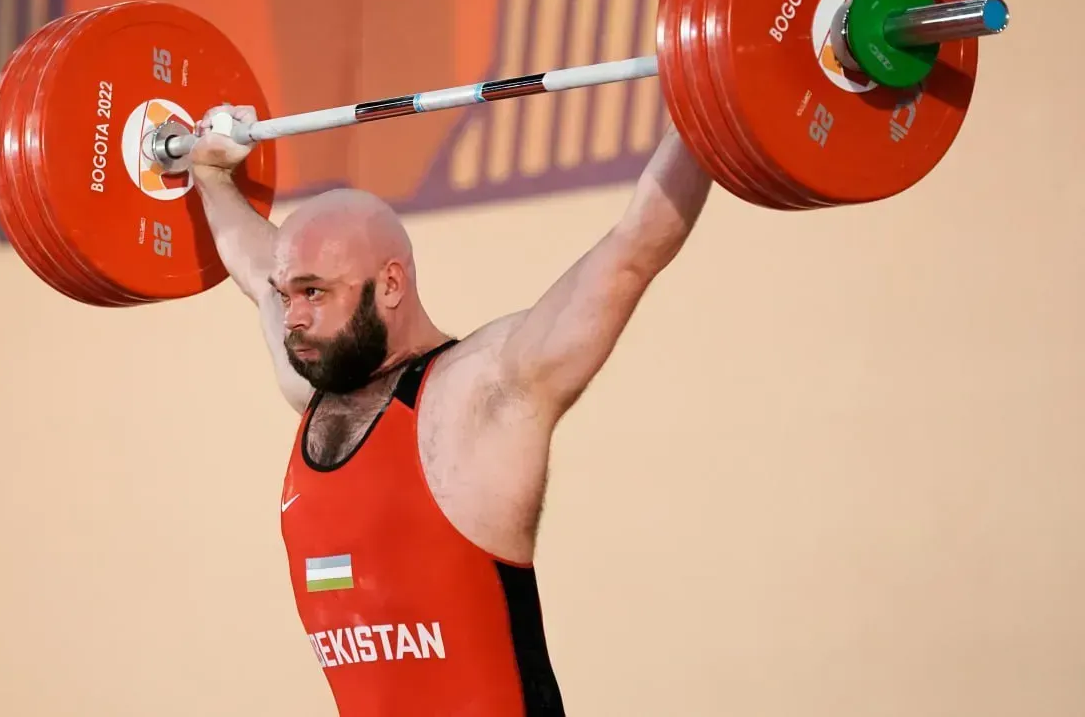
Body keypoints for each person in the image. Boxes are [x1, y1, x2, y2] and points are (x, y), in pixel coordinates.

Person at [188, 104, 711, 716]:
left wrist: (704, 104)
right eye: (287, 296)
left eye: (313, 292)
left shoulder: (483, 392)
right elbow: (256, 269)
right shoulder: (316, 394)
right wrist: (208, 174)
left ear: (390, 284)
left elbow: (634, 250)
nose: (292, 317)